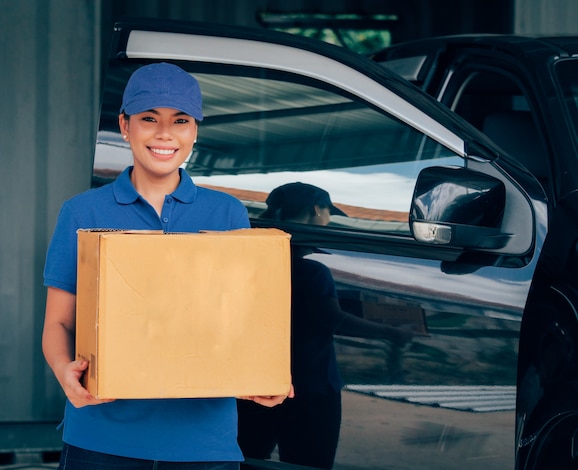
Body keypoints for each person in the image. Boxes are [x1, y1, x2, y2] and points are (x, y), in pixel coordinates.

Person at [42, 62, 290, 470]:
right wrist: (63, 372)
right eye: (148, 119)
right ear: (124, 126)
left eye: (180, 120)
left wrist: (264, 376)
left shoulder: (227, 213)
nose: (164, 133)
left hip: (203, 443)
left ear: (194, 130)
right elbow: (58, 323)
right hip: (102, 438)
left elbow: (242, 327)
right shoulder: (82, 211)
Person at [237, 182, 413, 470]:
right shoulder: (312, 269)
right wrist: (392, 333)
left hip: (254, 382)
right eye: (328, 212)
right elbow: (332, 319)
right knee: (309, 463)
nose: (328, 219)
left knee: (248, 458)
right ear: (316, 210)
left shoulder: (254, 259)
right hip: (311, 387)